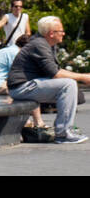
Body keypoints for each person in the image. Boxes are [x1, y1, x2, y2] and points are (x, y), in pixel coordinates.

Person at [6, 15, 90, 144]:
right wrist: (83, 77)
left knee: (70, 87)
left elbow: (53, 72)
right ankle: (63, 134)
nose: (63, 33)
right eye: (61, 31)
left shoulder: (45, 44)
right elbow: (55, 73)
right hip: (21, 88)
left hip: (26, 86)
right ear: (51, 33)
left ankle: (65, 130)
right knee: (68, 84)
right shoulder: (39, 44)